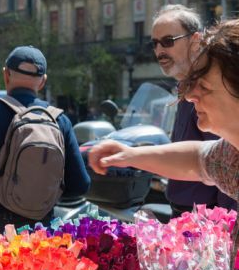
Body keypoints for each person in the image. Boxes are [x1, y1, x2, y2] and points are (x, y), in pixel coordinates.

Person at [88, 19, 239, 206]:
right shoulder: (232, 156)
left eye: (205, 86)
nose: (190, 96)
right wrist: (128, 154)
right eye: (154, 43)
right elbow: (196, 159)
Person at [0, 45, 91, 231]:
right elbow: (80, 184)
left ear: (6, 75)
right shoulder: (59, 120)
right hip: (39, 232)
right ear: (42, 82)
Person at [150, 4, 235, 215]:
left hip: (209, 218)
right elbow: (202, 157)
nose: (160, 50)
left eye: (168, 41)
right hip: (187, 214)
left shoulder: (216, 94)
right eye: (155, 43)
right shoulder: (182, 89)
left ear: (195, 40)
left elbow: (214, 159)